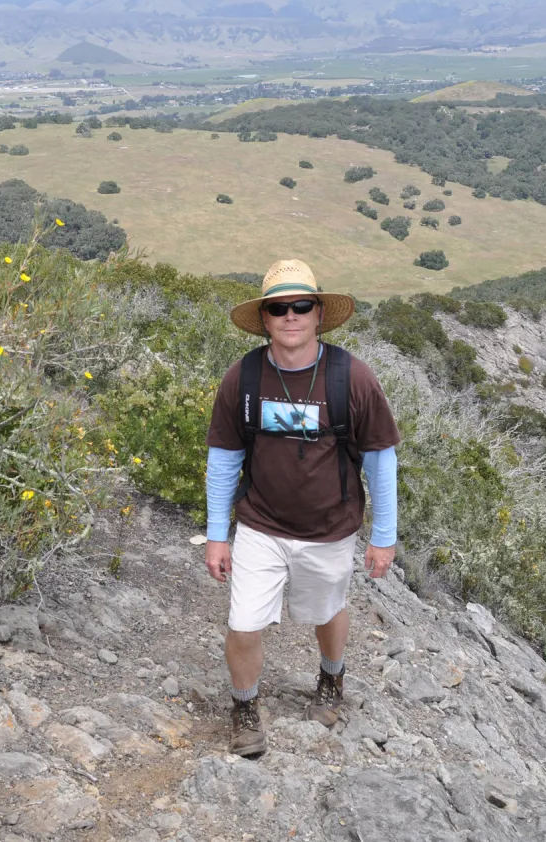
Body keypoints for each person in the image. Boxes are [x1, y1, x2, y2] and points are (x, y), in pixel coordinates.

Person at [203, 259, 400, 758]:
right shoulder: (242, 378)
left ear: (318, 314)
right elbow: (224, 460)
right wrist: (217, 534)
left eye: (301, 305)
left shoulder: (352, 378)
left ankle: (332, 676)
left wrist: (384, 535)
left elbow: (380, 460)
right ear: (265, 319)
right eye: (278, 308)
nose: (290, 316)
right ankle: (244, 707)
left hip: (330, 529)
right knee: (243, 622)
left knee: (326, 609)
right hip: (260, 525)